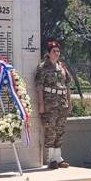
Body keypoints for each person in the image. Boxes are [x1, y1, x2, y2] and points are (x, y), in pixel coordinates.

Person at [35, 40, 71, 169]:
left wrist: (69, 103)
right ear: (48, 53)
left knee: (60, 130)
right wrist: (41, 104)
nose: (56, 53)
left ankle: (58, 158)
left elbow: (67, 86)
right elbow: (39, 86)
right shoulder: (43, 67)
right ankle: (50, 159)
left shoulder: (62, 68)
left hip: (62, 103)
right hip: (50, 104)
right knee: (50, 129)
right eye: (54, 51)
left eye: (58, 51)